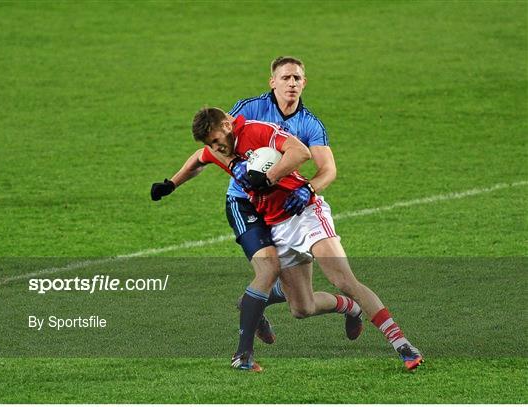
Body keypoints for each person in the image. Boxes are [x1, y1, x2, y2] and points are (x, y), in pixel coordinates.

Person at [168, 107, 424, 371]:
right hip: (277, 227)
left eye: (216, 140)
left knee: (343, 279)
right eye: (211, 143)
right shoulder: (224, 149)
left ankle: (402, 345)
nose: (216, 147)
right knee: (302, 308)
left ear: (226, 125)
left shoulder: (257, 131)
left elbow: (301, 151)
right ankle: (348, 308)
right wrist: (170, 184)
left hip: (305, 214)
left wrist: (270, 176)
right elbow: (200, 158)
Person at [152, 57, 364, 370]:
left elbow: (327, 168)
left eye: (297, 77)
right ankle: (244, 352)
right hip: (244, 204)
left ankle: (339, 306)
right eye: (285, 77)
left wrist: (306, 188)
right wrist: (171, 183)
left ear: (304, 82)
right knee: (267, 270)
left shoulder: (308, 124)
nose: (291, 83)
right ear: (273, 82)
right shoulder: (247, 111)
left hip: (282, 203)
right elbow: (210, 151)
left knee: (301, 306)